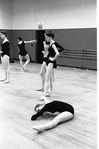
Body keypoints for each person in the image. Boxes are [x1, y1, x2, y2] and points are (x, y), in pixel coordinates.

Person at [40, 31, 59, 100]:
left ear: (50, 37)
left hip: (51, 62)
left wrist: (53, 58)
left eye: (47, 37)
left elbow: (57, 53)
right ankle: (50, 91)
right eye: (45, 37)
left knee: (47, 79)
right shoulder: (51, 43)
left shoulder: (53, 44)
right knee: (49, 78)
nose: (46, 38)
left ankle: (44, 94)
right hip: (48, 61)